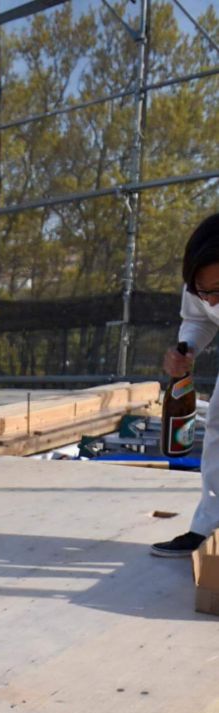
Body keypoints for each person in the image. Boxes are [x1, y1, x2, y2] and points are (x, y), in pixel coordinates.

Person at [152, 213, 219, 557]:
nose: (210, 301)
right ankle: (209, 530)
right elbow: (197, 318)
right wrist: (186, 349)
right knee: (217, 434)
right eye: (202, 291)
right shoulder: (202, 286)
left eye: (217, 291)